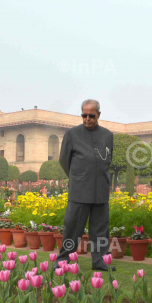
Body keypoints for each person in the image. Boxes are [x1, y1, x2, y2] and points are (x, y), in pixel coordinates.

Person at [54, 99, 115, 272]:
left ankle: (100, 261)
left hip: (100, 190)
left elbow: (107, 160)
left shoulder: (107, 135)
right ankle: (63, 260)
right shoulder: (72, 134)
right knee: (72, 227)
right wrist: (78, 177)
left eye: (91, 115)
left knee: (101, 230)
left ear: (98, 115)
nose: (87, 119)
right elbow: (64, 161)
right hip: (79, 190)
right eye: (84, 115)